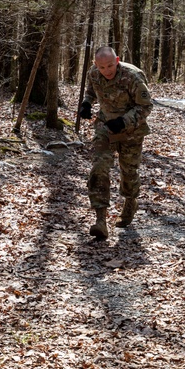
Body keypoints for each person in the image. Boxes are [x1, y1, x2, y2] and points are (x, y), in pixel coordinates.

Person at [77, 46, 153, 240]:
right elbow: (91, 91)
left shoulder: (133, 76)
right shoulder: (94, 73)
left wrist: (124, 121)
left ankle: (130, 201)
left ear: (117, 60)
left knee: (129, 171)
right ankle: (100, 220)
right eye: (102, 67)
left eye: (110, 65)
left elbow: (145, 106)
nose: (107, 70)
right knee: (99, 166)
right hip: (106, 127)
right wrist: (86, 103)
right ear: (96, 65)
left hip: (131, 130)